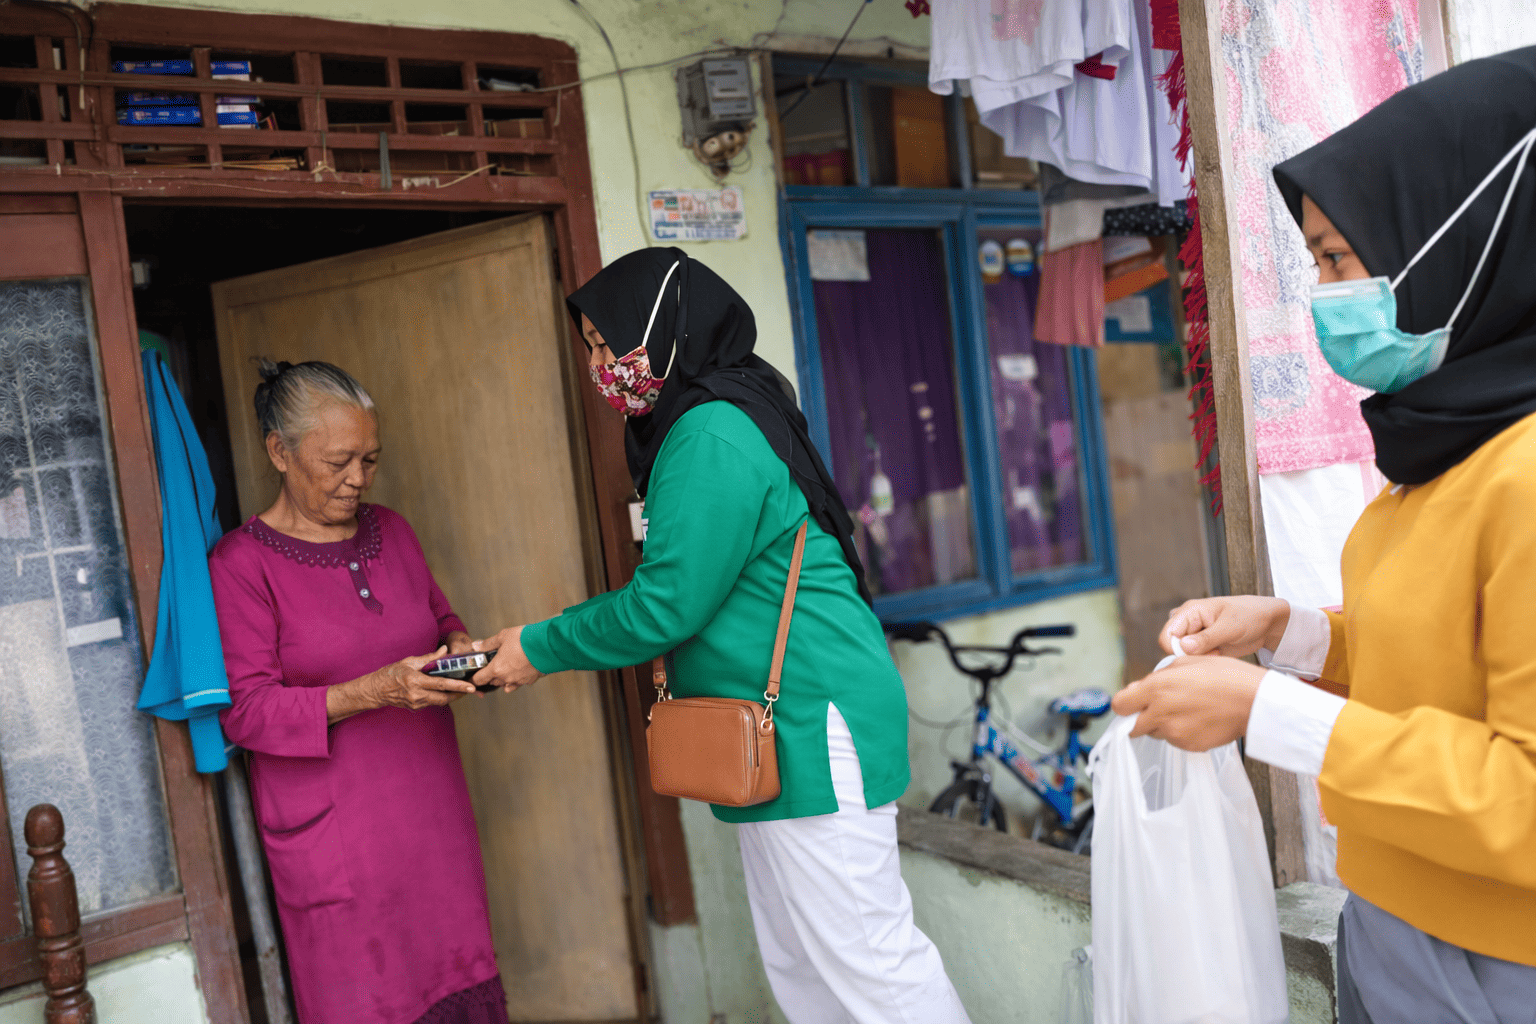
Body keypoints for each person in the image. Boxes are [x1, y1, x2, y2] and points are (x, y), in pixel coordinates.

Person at [1111, 48, 1536, 1023]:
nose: (1324, 293)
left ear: (1463, 248)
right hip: (1392, 913)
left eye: (1340, 259)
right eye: (1315, 262)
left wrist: (1267, 712)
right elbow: (1444, 662)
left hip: (1497, 958)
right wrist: (1292, 633)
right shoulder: (1449, 447)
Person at [470, 248, 972, 1024]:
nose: (601, 367)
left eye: (610, 344)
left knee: (871, 965)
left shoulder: (710, 433)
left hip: (808, 722)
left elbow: (664, 606)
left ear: (665, 330)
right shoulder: (707, 419)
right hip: (779, 727)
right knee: (804, 968)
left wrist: (537, 646)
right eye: (592, 349)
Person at [210, 360, 505, 1024]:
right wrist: (373, 692)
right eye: (338, 461)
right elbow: (246, 713)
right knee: (364, 995)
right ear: (279, 451)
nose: (358, 479)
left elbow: (439, 616)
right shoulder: (240, 565)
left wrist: (459, 646)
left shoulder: (391, 530)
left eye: (370, 459)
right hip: (335, 832)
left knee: (455, 973)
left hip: (430, 811)